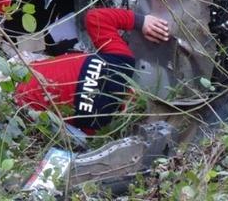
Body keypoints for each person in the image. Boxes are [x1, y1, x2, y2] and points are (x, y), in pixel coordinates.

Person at [14, 8, 170, 134]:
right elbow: (94, 18)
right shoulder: (100, 124)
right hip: (19, 105)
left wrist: (140, 21)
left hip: (17, 80)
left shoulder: (121, 62)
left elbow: (95, 17)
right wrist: (140, 21)